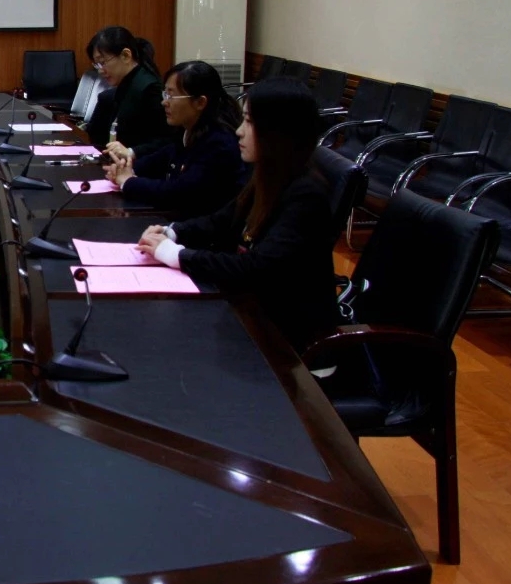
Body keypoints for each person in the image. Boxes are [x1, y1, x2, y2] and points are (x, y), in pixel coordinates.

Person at [136, 78, 338, 351]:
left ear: (279, 131)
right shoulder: (269, 175)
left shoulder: (306, 196)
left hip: (291, 342)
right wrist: (172, 232)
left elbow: (255, 269)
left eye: (250, 122)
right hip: (252, 314)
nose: (239, 132)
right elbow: (221, 221)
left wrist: (178, 256)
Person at [104, 60, 245, 217]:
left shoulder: (219, 143)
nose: (164, 102)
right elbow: (160, 159)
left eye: (171, 95)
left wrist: (129, 182)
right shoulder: (187, 130)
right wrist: (124, 168)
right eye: (165, 94)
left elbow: (178, 192)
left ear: (200, 102)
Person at [83, 26, 171, 152]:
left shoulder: (150, 88)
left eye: (103, 62)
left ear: (126, 55)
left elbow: (164, 141)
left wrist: (131, 152)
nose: (100, 71)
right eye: (97, 65)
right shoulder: (123, 87)